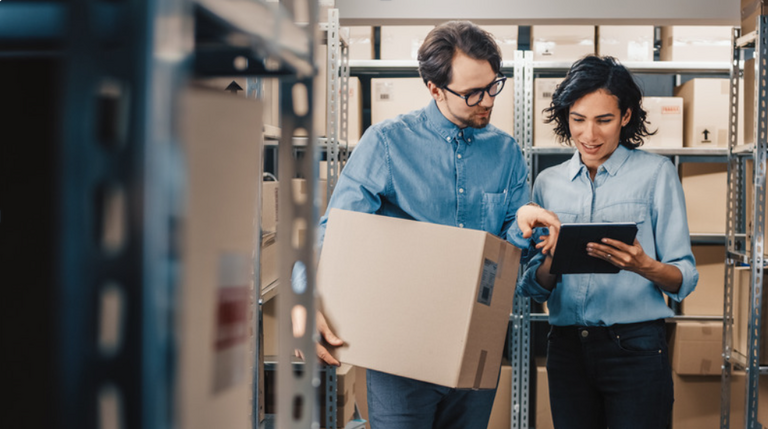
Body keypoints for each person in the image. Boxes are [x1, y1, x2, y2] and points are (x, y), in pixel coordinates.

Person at [310, 21, 561, 429]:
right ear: (434, 89)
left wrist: (522, 226)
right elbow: (335, 232)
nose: (487, 101)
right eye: (472, 93)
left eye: (493, 86)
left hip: (477, 346)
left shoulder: (507, 153)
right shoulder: (388, 143)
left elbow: (509, 261)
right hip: (400, 351)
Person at [517, 55, 699, 429]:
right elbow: (534, 288)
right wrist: (552, 257)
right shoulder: (547, 184)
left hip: (635, 347)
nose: (590, 135)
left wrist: (642, 265)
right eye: (578, 120)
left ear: (626, 116)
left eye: (604, 120)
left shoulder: (656, 174)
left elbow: (685, 277)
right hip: (566, 348)